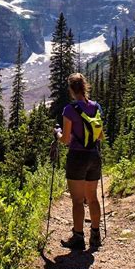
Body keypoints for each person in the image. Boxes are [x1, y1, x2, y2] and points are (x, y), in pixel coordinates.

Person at [54, 72, 103, 251]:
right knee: (92, 198)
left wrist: (57, 133)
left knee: (77, 200)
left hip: (77, 157)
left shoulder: (69, 110)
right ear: (85, 87)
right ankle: (95, 235)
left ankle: (78, 237)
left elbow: (66, 139)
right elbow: (101, 136)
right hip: (94, 156)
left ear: (71, 90)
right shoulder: (96, 107)